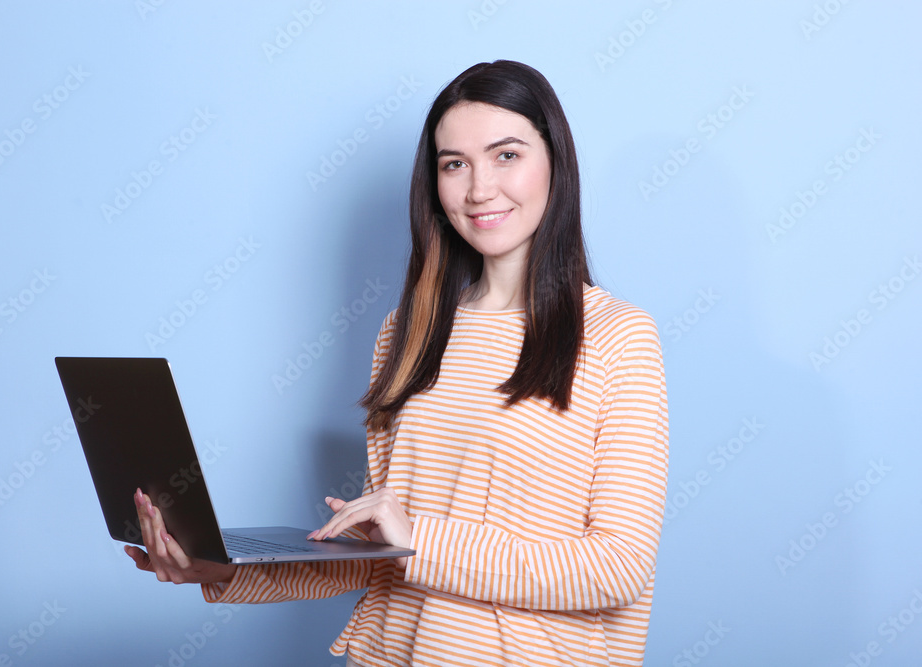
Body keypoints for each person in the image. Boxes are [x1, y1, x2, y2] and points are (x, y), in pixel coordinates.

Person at [126, 60, 669, 667]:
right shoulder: (406, 333)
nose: (479, 189)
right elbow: (382, 556)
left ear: (555, 162)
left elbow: (617, 568)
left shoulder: (618, 337)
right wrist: (220, 569)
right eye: (454, 164)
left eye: (506, 155)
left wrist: (418, 537)